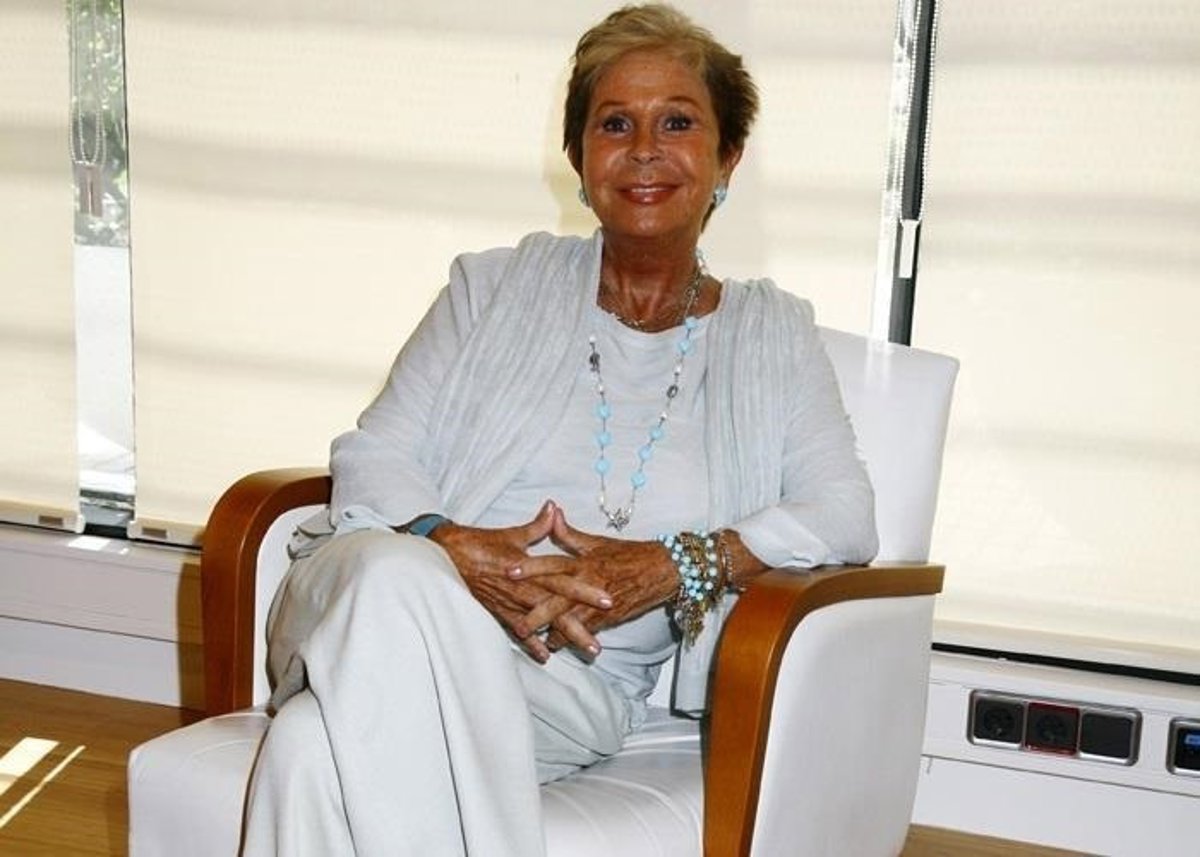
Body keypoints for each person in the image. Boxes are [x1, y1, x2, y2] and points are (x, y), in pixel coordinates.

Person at [241, 4, 877, 855]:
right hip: (368, 608)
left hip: (561, 684)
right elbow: (377, 453)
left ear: (728, 157)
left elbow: (844, 511)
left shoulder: (775, 336)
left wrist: (674, 562)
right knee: (399, 575)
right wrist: (452, 548)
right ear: (578, 160)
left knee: (308, 753)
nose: (644, 149)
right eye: (614, 124)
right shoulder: (489, 289)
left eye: (677, 123)